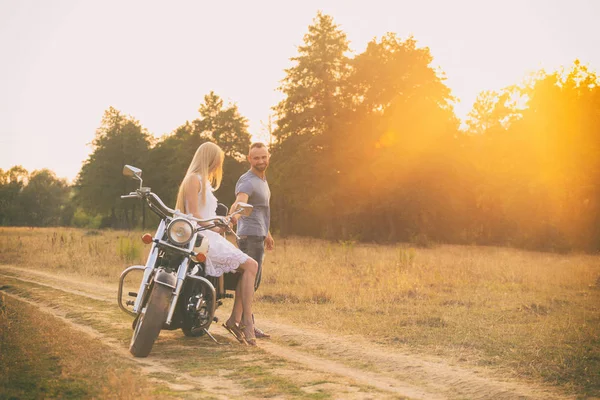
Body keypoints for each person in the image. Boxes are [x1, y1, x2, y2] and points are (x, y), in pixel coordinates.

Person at [175, 142, 259, 346]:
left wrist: (224, 222)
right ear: (210, 159)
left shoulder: (201, 181)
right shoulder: (194, 179)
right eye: (217, 161)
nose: (218, 166)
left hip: (209, 234)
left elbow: (205, 215)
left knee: (249, 267)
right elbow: (193, 215)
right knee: (251, 266)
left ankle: (237, 319)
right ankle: (245, 321)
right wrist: (214, 227)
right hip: (203, 237)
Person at [231, 142, 274, 339]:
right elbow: (241, 202)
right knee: (250, 281)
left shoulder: (262, 180)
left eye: (263, 157)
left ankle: (236, 319)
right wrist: (232, 218)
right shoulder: (247, 181)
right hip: (249, 236)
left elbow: (261, 209)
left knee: (250, 281)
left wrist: (268, 232)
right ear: (249, 159)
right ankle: (245, 323)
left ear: (269, 157)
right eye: (256, 158)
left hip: (258, 234)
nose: (260, 161)